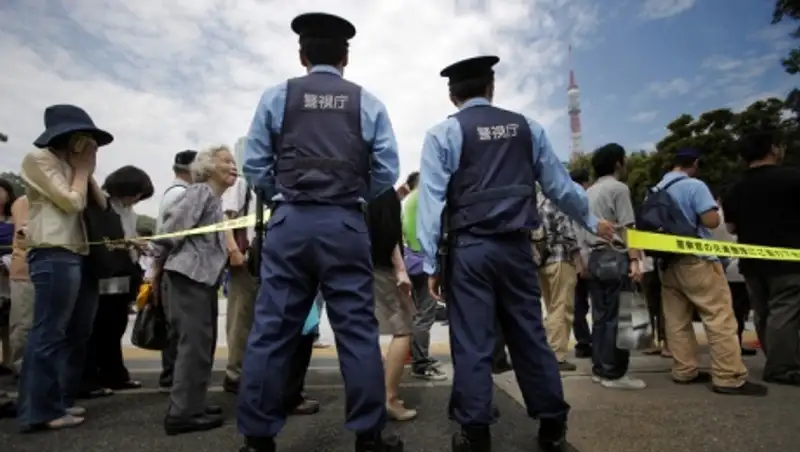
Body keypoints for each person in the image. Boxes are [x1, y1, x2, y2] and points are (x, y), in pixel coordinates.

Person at [416, 55, 614, 452]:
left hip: (469, 252)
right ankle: (552, 427)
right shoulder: (528, 128)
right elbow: (560, 188)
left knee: (472, 342)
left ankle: (475, 434)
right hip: (517, 249)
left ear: (452, 96)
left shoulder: (442, 134)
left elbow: (431, 203)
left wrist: (431, 263)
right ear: (491, 88)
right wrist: (594, 222)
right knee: (530, 336)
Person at [237, 12, 402, 452]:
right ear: (346, 58)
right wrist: (353, 194)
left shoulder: (277, 97)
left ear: (302, 55)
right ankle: (369, 437)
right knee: (357, 331)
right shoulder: (367, 102)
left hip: (290, 222)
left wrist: (283, 194)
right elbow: (387, 169)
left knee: (272, 330)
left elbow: (254, 165)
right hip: (344, 223)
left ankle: (257, 439)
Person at [17, 104, 109, 431]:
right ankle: (38, 411)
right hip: (53, 250)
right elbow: (71, 202)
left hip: (78, 252)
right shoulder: (38, 159)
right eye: (84, 138)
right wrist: (81, 171)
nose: (89, 146)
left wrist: (86, 170)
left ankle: (59, 401)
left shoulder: (73, 166)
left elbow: (101, 204)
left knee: (75, 333)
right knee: (49, 332)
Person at [655, 149, 766, 396]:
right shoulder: (694, 186)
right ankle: (728, 376)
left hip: (668, 263)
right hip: (698, 260)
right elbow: (711, 221)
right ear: (695, 163)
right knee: (719, 316)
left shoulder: (656, 189)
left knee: (677, 320)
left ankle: (684, 370)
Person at [151, 145, 237, 435]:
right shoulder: (200, 192)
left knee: (202, 344)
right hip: (189, 276)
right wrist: (155, 268)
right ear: (208, 167)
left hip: (201, 279)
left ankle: (193, 404)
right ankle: (182, 414)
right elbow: (171, 230)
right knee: (194, 346)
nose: (233, 166)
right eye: (226, 161)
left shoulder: (213, 198)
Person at [723, 129, 800, 386]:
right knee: (784, 311)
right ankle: (782, 367)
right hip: (789, 261)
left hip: (752, 263)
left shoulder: (734, 189)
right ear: (773, 149)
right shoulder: (793, 178)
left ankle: (776, 359)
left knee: (763, 311)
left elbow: (731, 228)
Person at [80, 166, 153, 397]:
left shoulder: (128, 210)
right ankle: (93, 377)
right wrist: (128, 243)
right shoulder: (102, 205)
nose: (137, 199)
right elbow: (106, 239)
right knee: (101, 326)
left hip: (124, 271)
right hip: (106, 272)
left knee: (116, 325)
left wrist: (134, 244)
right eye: (135, 193)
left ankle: (115, 374)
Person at [584, 144, 646, 390]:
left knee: (600, 317)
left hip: (594, 256)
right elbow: (628, 227)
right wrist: (635, 259)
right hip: (615, 254)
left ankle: (600, 368)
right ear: (618, 163)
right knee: (621, 317)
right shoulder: (619, 188)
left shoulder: (588, 193)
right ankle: (614, 373)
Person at [368, 186, 417, 421]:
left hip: (356, 267)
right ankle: (389, 398)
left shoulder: (353, 186)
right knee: (403, 328)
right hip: (382, 268)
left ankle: (370, 396)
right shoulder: (382, 191)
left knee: (363, 332)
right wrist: (401, 270)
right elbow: (388, 236)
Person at [154, 149, 197, 393]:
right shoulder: (182, 195)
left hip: (169, 265)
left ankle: (172, 377)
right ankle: (174, 379)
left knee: (175, 326)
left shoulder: (171, 193)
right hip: (177, 266)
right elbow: (170, 237)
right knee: (180, 328)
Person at [402, 171, 448, 381]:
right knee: (425, 315)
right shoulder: (423, 198)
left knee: (417, 313)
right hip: (424, 262)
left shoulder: (408, 200)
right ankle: (420, 364)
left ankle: (416, 356)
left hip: (412, 260)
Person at [221, 176, 257, 394]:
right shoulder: (243, 184)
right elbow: (225, 217)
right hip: (246, 259)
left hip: (269, 260)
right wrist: (233, 250)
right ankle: (235, 373)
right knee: (240, 318)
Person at [711, 190, 757, 357]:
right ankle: (735, 343)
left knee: (724, 310)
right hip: (736, 268)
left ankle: (727, 345)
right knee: (739, 310)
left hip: (719, 267)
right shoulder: (739, 215)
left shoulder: (712, 217)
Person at [569, 169, 592, 358]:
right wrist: (581, 261)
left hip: (571, 259)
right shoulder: (580, 198)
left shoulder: (562, 197)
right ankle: (591, 342)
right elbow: (579, 233)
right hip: (585, 258)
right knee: (595, 303)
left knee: (578, 304)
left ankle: (583, 342)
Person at [8, 195, 33, 374]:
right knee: (24, 323)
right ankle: (21, 368)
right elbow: (23, 234)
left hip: (51, 270)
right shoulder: (25, 201)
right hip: (25, 271)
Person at [0, 179, 17, 375]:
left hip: (10, 273)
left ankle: (8, 362)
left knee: (9, 318)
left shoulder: (16, 218)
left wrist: (7, 261)